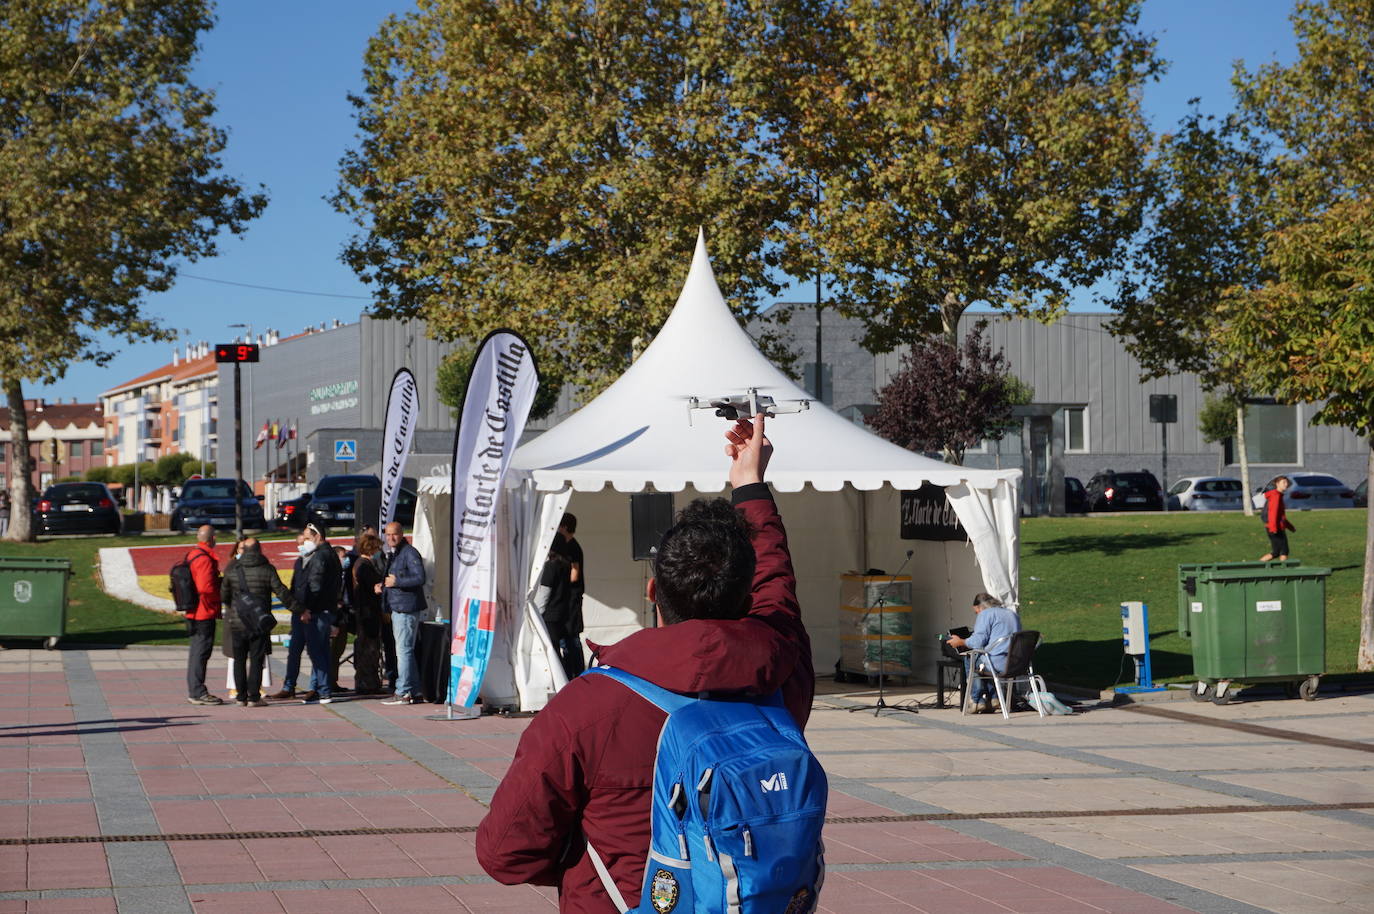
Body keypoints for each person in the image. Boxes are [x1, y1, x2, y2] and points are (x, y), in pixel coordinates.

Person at [476, 414, 813, 910]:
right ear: (745, 598)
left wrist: (583, 865)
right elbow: (777, 588)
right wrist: (750, 484)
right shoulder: (780, 674)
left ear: (653, 591)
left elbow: (505, 852)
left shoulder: (586, 707)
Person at [220, 537, 297, 707]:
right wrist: (297, 609)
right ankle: (254, 697)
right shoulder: (267, 569)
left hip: (238, 622)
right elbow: (281, 591)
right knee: (256, 659)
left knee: (239, 660)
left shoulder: (233, 570)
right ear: (259, 550)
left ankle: (241, 697)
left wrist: (236, 607)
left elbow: (224, 595)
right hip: (259, 621)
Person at [377, 521, 428, 705]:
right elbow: (393, 579)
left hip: (406, 609)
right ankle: (414, 690)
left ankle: (403, 691)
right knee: (406, 651)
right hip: (398, 607)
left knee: (403, 651)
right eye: (388, 534)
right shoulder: (396, 553)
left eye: (394, 534)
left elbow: (420, 577)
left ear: (402, 534)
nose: (391, 538)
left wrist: (397, 582)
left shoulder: (409, 552)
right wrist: (383, 586)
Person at [946, 592, 1021, 714]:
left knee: (971, 657)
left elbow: (978, 641)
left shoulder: (986, 614)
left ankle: (977, 700)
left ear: (979, 607)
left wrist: (960, 642)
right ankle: (994, 698)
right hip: (1016, 663)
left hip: (997, 664)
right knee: (983, 660)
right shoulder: (1012, 614)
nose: (977, 615)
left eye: (976, 612)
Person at [184, 525, 224, 706]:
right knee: (201, 652)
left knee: (196, 651)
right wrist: (221, 594)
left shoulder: (193, 554)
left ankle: (195, 689)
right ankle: (197, 691)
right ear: (212, 538)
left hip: (194, 610)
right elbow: (205, 587)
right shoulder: (204, 558)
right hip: (203, 612)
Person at [268, 534, 309, 700]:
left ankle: (317, 687)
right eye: (298, 544)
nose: (300, 547)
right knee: (293, 652)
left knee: (316, 653)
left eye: (303, 543)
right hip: (298, 614)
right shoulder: (299, 562)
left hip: (313, 613)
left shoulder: (319, 560)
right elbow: (293, 588)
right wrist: (296, 609)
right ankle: (289, 686)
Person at [350, 532, 387, 694]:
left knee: (366, 647)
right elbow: (375, 588)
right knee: (369, 648)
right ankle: (368, 683)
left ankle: (366, 681)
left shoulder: (359, 564)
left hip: (364, 611)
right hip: (368, 612)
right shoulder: (365, 566)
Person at [552, 512, 586, 678]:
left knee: (572, 639)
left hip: (572, 599)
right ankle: (570, 672)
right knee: (567, 639)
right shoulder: (567, 545)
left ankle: (577, 673)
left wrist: (559, 579)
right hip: (567, 600)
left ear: (564, 527)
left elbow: (575, 573)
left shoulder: (572, 547)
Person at [329, 544, 354, 694]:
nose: (346, 560)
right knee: (331, 651)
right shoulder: (331, 575)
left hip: (343, 616)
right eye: (343, 557)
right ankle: (327, 682)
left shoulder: (345, 574)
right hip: (334, 617)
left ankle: (333, 681)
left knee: (339, 650)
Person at [1260, 476, 1296, 561]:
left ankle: (1257, 565)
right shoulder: (1275, 496)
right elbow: (1273, 513)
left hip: (1276, 527)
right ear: (1277, 484)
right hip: (1275, 528)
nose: (1286, 484)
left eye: (1287, 482)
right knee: (1284, 551)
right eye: (1283, 482)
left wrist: (1290, 527)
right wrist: (1273, 528)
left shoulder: (1278, 495)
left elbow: (1281, 516)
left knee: (1276, 552)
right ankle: (1284, 569)